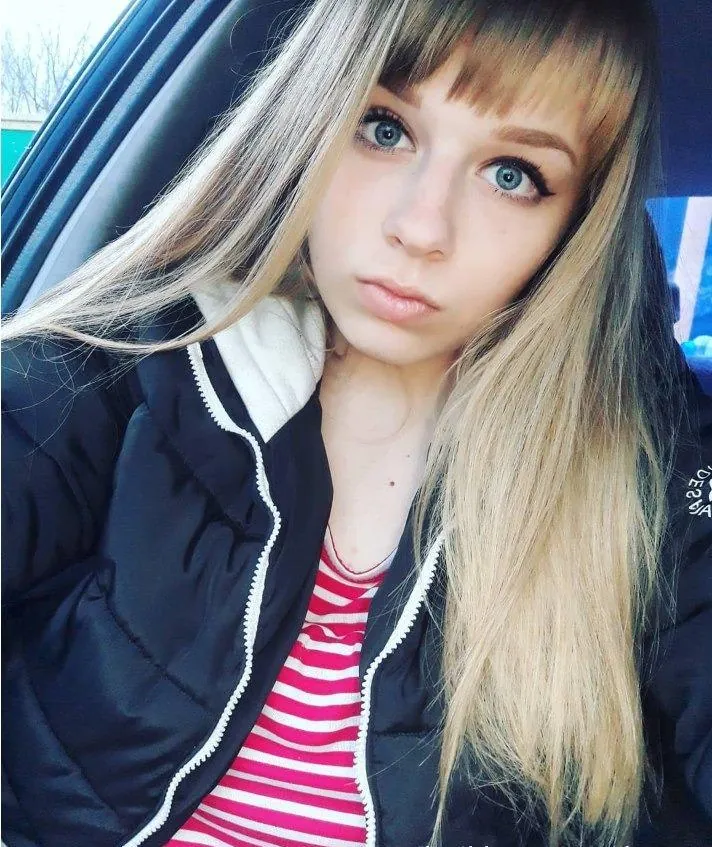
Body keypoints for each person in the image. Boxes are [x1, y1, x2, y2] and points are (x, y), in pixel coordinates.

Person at [2, 0, 711, 845]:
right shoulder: (130, 365)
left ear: (574, 224)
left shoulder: (646, 475)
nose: (420, 227)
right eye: (384, 128)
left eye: (512, 174)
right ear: (312, 116)